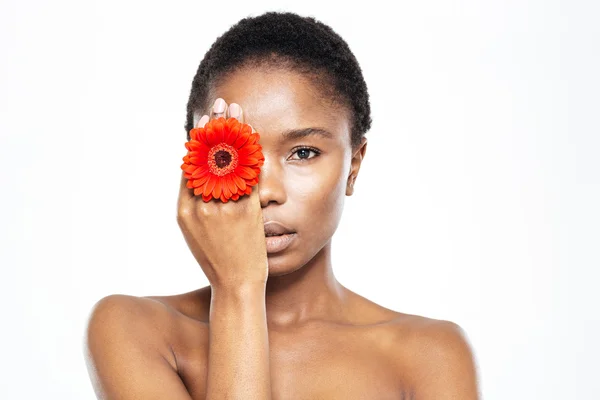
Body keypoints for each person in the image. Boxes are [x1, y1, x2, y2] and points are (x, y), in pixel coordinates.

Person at [84, 11, 480, 399]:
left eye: (303, 152)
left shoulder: (429, 355)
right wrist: (238, 290)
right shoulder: (134, 330)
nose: (265, 191)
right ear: (197, 163)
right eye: (234, 154)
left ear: (353, 167)